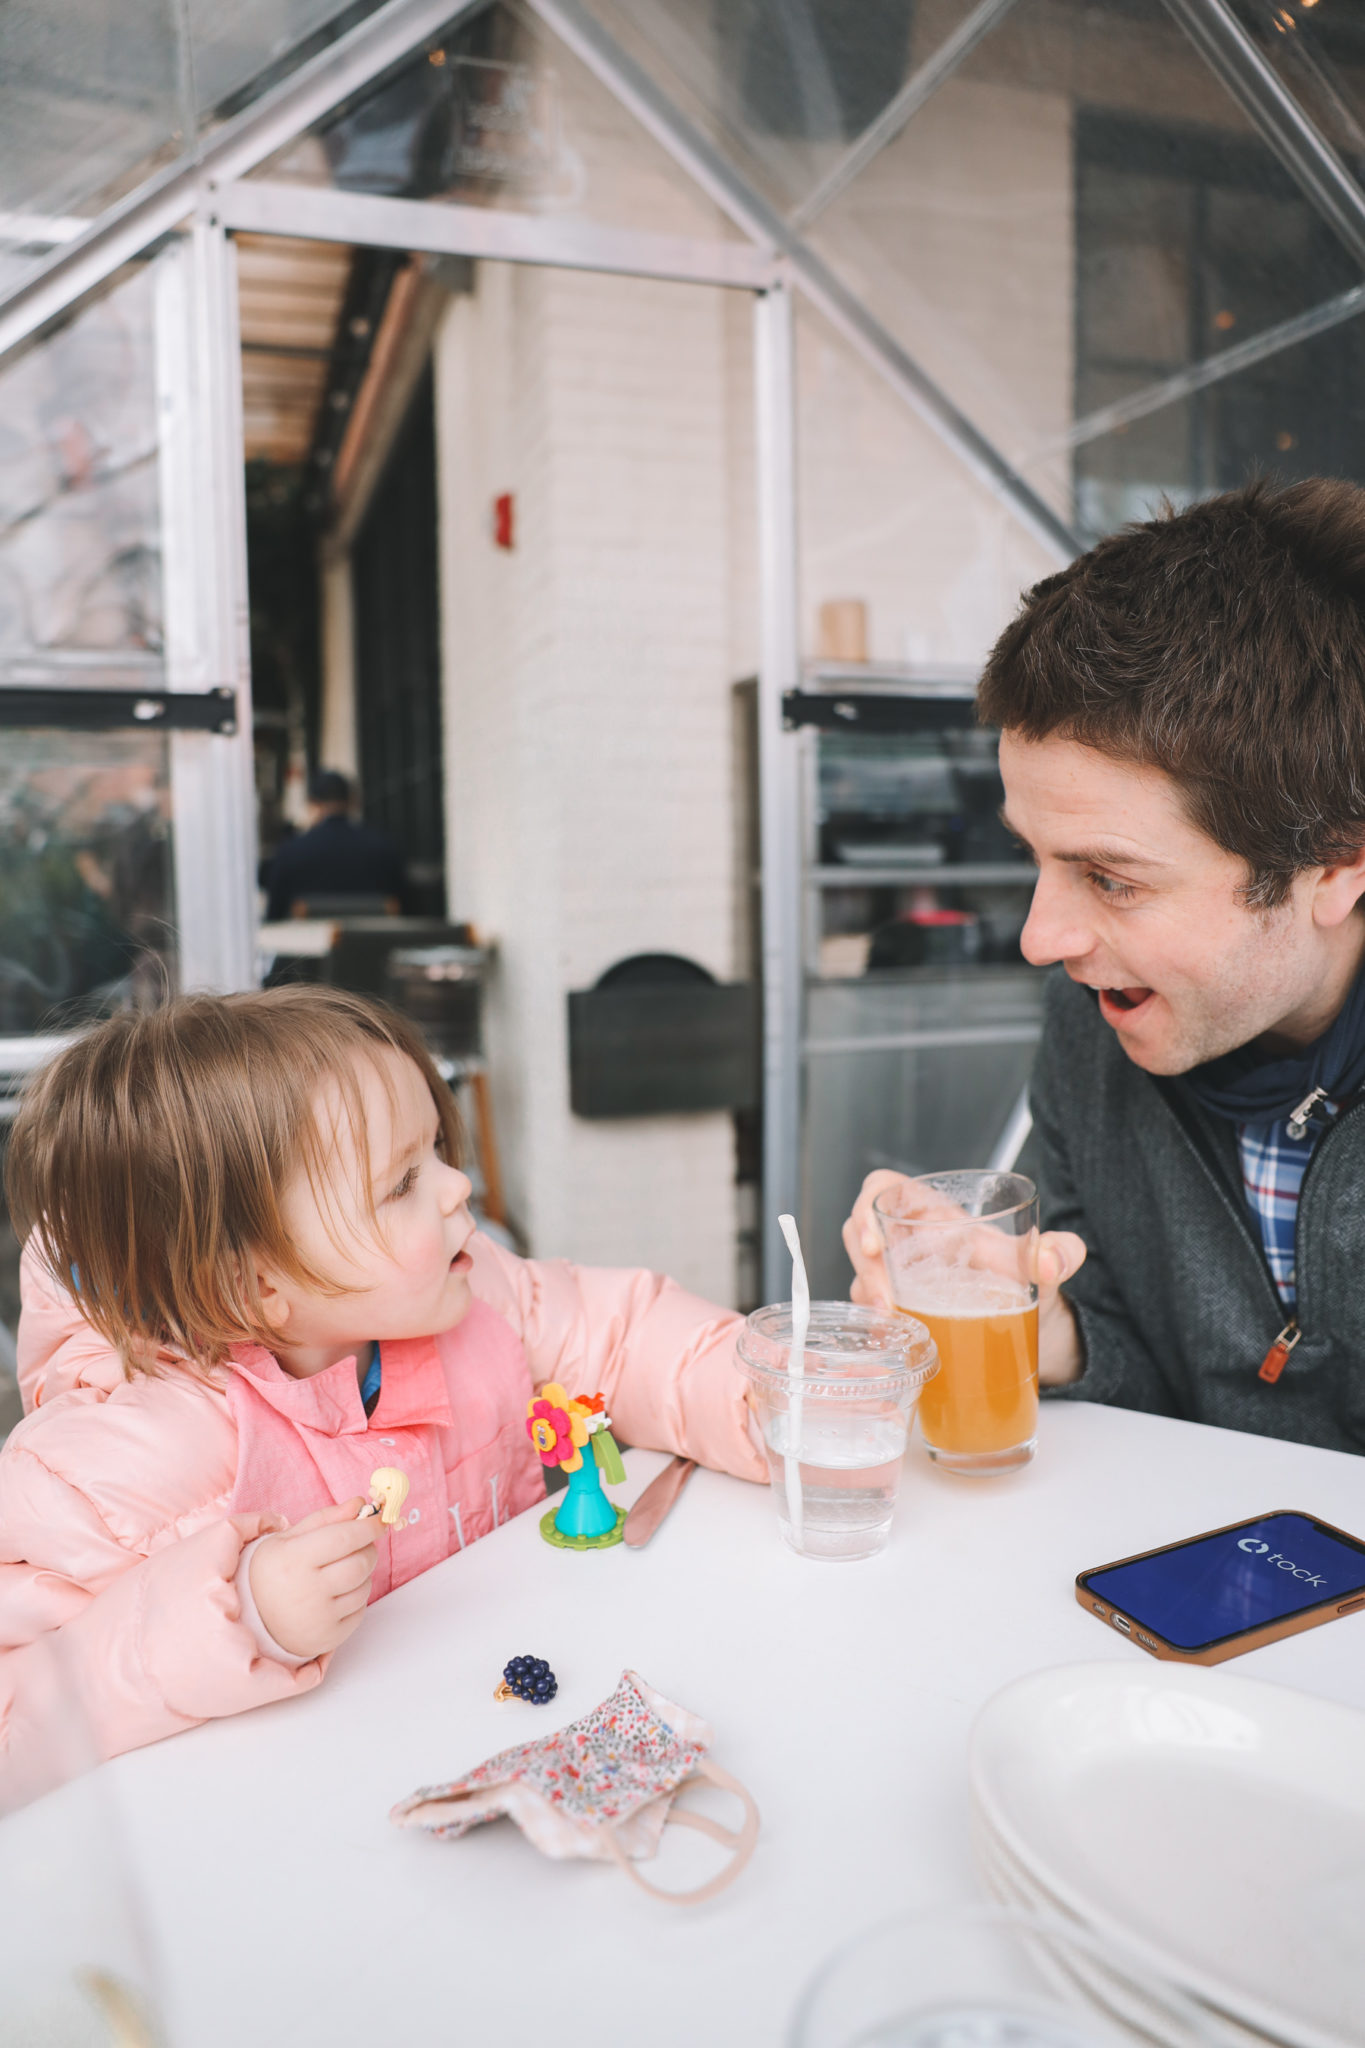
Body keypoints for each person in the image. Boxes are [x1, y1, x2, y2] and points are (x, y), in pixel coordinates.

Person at [0, 987, 765, 1804]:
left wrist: (779, 1400)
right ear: (257, 1285)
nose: (456, 1185)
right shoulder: (122, 1465)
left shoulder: (473, 1301)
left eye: (436, 1148)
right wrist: (239, 1616)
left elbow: (623, 1338)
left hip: (483, 1754)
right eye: (401, 1182)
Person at [845, 477, 1365, 1456]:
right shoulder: (1094, 1024)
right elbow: (1142, 1359)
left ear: (1335, 864)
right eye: (1031, 857)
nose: (1043, 938)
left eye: (1110, 878)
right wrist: (1056, 1335)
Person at [263, 769, 407, 921]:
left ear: (313, 803)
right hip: (377, 943)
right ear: (352, 801)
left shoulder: (291, 852)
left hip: (308, 942)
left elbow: (274, 915)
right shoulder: (383, 848)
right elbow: (407, 907)